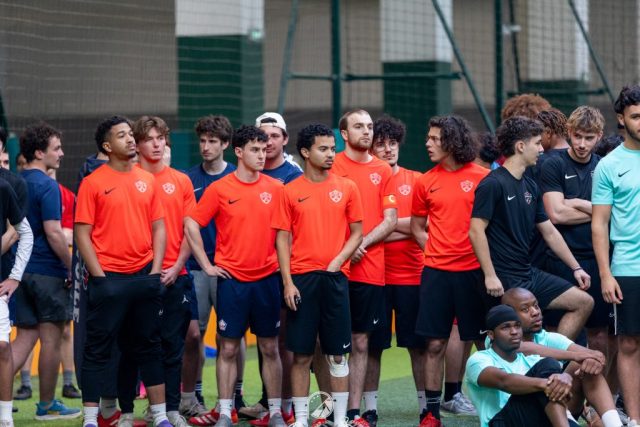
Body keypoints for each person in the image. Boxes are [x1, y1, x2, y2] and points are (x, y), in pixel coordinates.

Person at [184, 125, 285, 427]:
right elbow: (191, 224)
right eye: (255, 149)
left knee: (270, 347)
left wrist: (285, 271)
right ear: (239, 152)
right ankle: (226, 413)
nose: (262, 154)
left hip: (268, 280)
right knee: (227, 347)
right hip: (232, 281)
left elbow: (286, 234)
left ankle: (275, 412)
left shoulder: (276, 188)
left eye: (263, 149)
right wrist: (207, 264)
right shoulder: (220, 189)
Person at [75, 116, 169, 427]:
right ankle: (91, 419)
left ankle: (160, 417)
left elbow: (159, 227)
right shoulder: (92, 182)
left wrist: (155, 271)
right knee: (97, 350)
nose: (130, 139)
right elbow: (82, 234)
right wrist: (100, 278)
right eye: (121, 135)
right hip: (108, 280)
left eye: (130, 134)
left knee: (150, 348)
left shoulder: (147, 180)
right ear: (107, 146)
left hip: (144, 277)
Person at [469, 116, 593, 341]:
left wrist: (576, 268)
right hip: (503, 278)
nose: (541, 149)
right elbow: (476, 231)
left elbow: (549, 231)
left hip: (528, 272)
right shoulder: (492, 183)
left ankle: (552, 359)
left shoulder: (530, 185)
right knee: (516, 339)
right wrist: (490, 275)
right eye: (536, 143)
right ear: (520, 146)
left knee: (583, 302)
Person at [272, 123, 363, 427]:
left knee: (337, 356)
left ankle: (340, 420)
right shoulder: (289, 191)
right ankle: (301, 420)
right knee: (301, 355)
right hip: (301, 280)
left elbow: (357, 232)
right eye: (323, 149)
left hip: (335, 278)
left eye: (332, 149)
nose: (330, 154)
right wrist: (287, 283)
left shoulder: (347, 187)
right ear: (305, 152)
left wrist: (338, 261)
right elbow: (282, 238)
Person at [409, 115, 490, 427]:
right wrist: (434, 250)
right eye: (428, 138)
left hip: (475, 273)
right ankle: (431, 413)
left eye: (434, 138)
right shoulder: (425, 181)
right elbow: (417, 227)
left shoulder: (483, 178)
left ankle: (496, 407)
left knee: (484, 342)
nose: (427, 143)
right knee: (434, 344)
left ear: (453, 141)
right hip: (437, 273)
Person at [115, 116, 196, 427]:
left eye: (161, 138)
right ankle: (126, 411)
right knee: (131, 347)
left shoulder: (181, 181)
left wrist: (176, 266)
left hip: (176, 276)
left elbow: (190, 230)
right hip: (136, 277)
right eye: (149, 139)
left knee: (172, 346)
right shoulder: (127, 179)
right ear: (137, 144)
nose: (157, 144)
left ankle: (170, 410)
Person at [331, 109, 397, 425]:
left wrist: (361, 244)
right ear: (344, 134)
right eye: (359, 126)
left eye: (369, 126)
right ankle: (330, 408)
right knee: (329, 343)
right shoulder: (332, 164)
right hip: (334, 268)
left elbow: (390, 219)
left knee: (360, 341)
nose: (367, 132)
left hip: (369, 269)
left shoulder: (383, 170)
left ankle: (353, 412)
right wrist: (346, 248)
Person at [11, 122, 79, 420]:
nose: (61, 153)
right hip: (47, 273)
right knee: (51, 340)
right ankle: (47, 405)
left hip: (18, 272)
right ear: (39, 153)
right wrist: (71, 265)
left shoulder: (13, 181)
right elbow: (54, 232)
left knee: (25, 337)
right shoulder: (48, 185)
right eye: (56, 148)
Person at [363, 116, 424, 426]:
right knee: (373, 346)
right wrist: (407, 227)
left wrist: (386, 227)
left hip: (414, 276)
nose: (388, 149)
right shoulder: (366, 182)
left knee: (418, 346)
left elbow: (424, 225)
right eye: (381, 144)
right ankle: (370, 409)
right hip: (374, 277)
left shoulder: (417, 180)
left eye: (392, 143)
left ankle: (426, 408)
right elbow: (364, 229)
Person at [246, 112, 302, 426]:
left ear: (285, 139)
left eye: (274, 136)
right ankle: (270, 402)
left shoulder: (293, 175)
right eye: (262, 136)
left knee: (283, 340)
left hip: (284, 270)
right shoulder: (248, 172)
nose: (268, 142)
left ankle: (288, 405)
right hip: (251, 269)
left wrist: (288, 272)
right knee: (264, 339)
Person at [539, 106, 609, 357]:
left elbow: (615, 213)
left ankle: (599, 384)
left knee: (600, 334)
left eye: (589, 138)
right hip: (560, 260)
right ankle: (554, 379)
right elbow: (556, 214)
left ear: (599, 136)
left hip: (599, 259)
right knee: (555, 331)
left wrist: (576, 202)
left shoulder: (604, 167)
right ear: (568, 131)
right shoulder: (552, 164)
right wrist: (598, 210)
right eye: (577, 136)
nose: (581, 144)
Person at [500, 288, 623, 427]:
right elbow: (525, 348)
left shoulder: (547, 337)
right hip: (519, 416)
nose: (535, 312)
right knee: (548, 366)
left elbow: (594, 356)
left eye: (536, 306)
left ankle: (614, 424)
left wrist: (593, 360)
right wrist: (577, 355)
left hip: (556, 409)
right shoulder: (499, 340)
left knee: (582, 365)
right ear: (507, 315)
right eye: (525, 309)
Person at [181, 115, 237, 419]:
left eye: (212, 141)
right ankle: (194, 394)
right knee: (193, 335)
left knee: (231, 335)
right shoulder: (188, 179)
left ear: (225, 144)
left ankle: (236, 396)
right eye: (202, 141)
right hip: (195, 268)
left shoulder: (238, 177)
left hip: (230, 267)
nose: (206, 146)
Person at [592, 85, 640, 426]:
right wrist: (605, 274)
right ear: (622, 119)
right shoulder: (609, 165)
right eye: (636, 116)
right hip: (627, 268)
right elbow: (599, 224)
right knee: (629, 344)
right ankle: (635, 419)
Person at [464, 305, 574, 427]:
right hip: (501, 422)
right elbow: (504, 381)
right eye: (506, 327)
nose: (514, 332)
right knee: (548, 366)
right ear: (491, 334)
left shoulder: (531, 360)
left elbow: (556, 378)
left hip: (532, 419)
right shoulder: (479, 359)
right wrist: (547, 384)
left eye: (517, 326)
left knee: (551, 365)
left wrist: (565, 377)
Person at [0, 136, 33, 427]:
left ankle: (6, 418)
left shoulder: (6, 187)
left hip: (1, 281)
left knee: (2, 346)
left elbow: (24, 233)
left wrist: (15, 276)